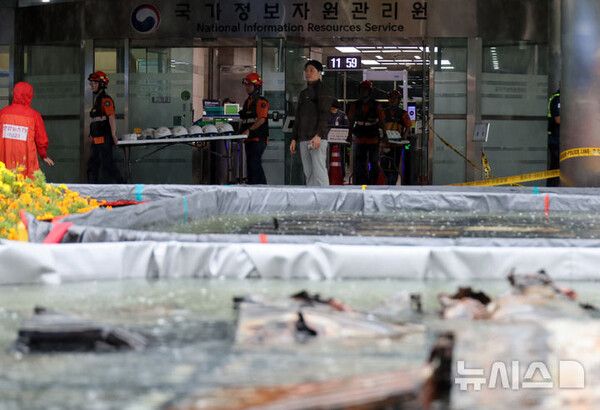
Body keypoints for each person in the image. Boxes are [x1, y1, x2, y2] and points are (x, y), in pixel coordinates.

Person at [290, 60, 332, 187]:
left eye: (312, 70)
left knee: (319, 172)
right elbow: (298, 117)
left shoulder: (324, 91)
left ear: (319, 73)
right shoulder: (303, 94)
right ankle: (311, 198)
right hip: (303, 138)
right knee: (308, 173)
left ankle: (325, 198)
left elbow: (325, 115)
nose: (308, 73)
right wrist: (294, 138)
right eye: (306, 70)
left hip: (317, 138)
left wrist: (319, 135)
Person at [0, 81, 54, 179]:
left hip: (4, 161)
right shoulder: (34, 115)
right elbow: (41, 138)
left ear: (14, 93)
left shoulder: (3, 113)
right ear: (30, 96)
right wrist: (43, 154)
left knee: (5, 185)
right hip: (26, 163)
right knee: (27, 186)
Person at [87, 71, 124, 184]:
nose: (92, 85)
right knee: (94, 164)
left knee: (107, 164)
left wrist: (113, 134)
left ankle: (122, 185)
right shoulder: (97, 99)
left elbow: (111, 117)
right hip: (97, 137)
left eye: (95, 83)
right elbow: (95, 120)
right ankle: (94, 187)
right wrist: (91, 135)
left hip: (104, 137)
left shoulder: (105, 99)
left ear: (102, 84)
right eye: (91, 83)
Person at [347, 80, 385, 185]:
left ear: (370, 91)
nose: (364, 91)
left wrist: (385, 135)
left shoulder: (377, 105)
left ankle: (372, 183)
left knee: (374, 162)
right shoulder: (354, 105)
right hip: (359, 135)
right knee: (360, 162)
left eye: (366, 89)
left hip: (373, 135)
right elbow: (351, 121)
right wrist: (349, 135)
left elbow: (382, 121)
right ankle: (362, 184)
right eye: (362, 89)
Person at [239, 72, 269, 184]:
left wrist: (249, 130)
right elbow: (246, 120)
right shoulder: (247, 101)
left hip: (258, 139)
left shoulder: (261, 102)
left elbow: (261, 119)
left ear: (256, 86)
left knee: (254, 165)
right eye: (246, 85)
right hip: (249, 139)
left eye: (249, 85)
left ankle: (261, 188)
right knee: (251, 166)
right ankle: (254, 187)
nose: (247, 87)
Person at [381, 89, 412, 185]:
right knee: (384, 165)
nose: (393, 100)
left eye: (395, 98)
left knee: (394, 166)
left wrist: (404, 138)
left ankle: (392, 184)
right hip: (385, 144)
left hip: (397, 145)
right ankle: (386, 182)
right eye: (391, 98)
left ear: (399, 100)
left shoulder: (403, 113)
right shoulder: (383, 112)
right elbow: (379, 125)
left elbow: (408, 126)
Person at [547, 88, 560, 187]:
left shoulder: (557, 98)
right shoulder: (558, 98)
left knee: (556, 167)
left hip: (558, 138)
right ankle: (552, 189)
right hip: (556, 139)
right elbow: (558, 119)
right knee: (556, 166)